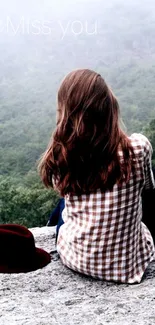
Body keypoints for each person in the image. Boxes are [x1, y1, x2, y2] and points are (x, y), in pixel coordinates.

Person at [39, 69, 155, 284]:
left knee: (63, 203)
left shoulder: (60, 158)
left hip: (77, 259)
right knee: (144, 179)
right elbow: (147, 188)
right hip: (128, 266)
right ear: (110, 107)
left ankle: (50, 223)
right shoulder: (139, 148)